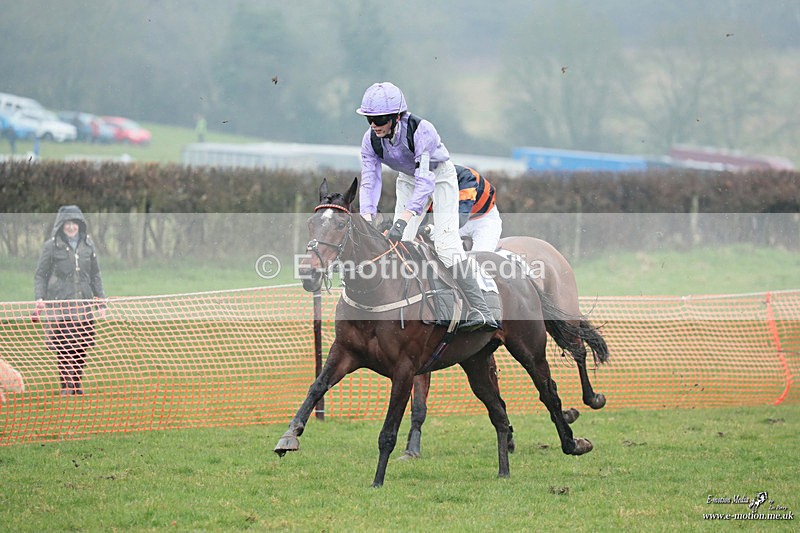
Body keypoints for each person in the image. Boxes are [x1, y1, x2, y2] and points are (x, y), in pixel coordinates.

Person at [356, 82, 498, 331]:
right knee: (402, 244)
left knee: (446, 244)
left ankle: (481, 309)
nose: (374, 126)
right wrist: (367, 218)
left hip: (440, 177)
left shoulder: (422, 130)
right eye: (370, 119)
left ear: (396, 116)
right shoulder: (370, 141)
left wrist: (403, 218)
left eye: (379, 119)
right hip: (407, 180)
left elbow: (425, 182)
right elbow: (370, 181)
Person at [34, 205, 106, 396]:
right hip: (60, 306)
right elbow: (41, 275)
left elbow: (95, 274)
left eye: (75, 223)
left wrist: (101, 300)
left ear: (80, 225)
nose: (72, 227)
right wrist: (39, 298)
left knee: (81, 347)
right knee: (65, 346)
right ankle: (66, 385)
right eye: (68, 223)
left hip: (83, 305)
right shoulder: (51, 246)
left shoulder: (88, 245)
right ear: (61, 225)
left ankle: (76, 382)